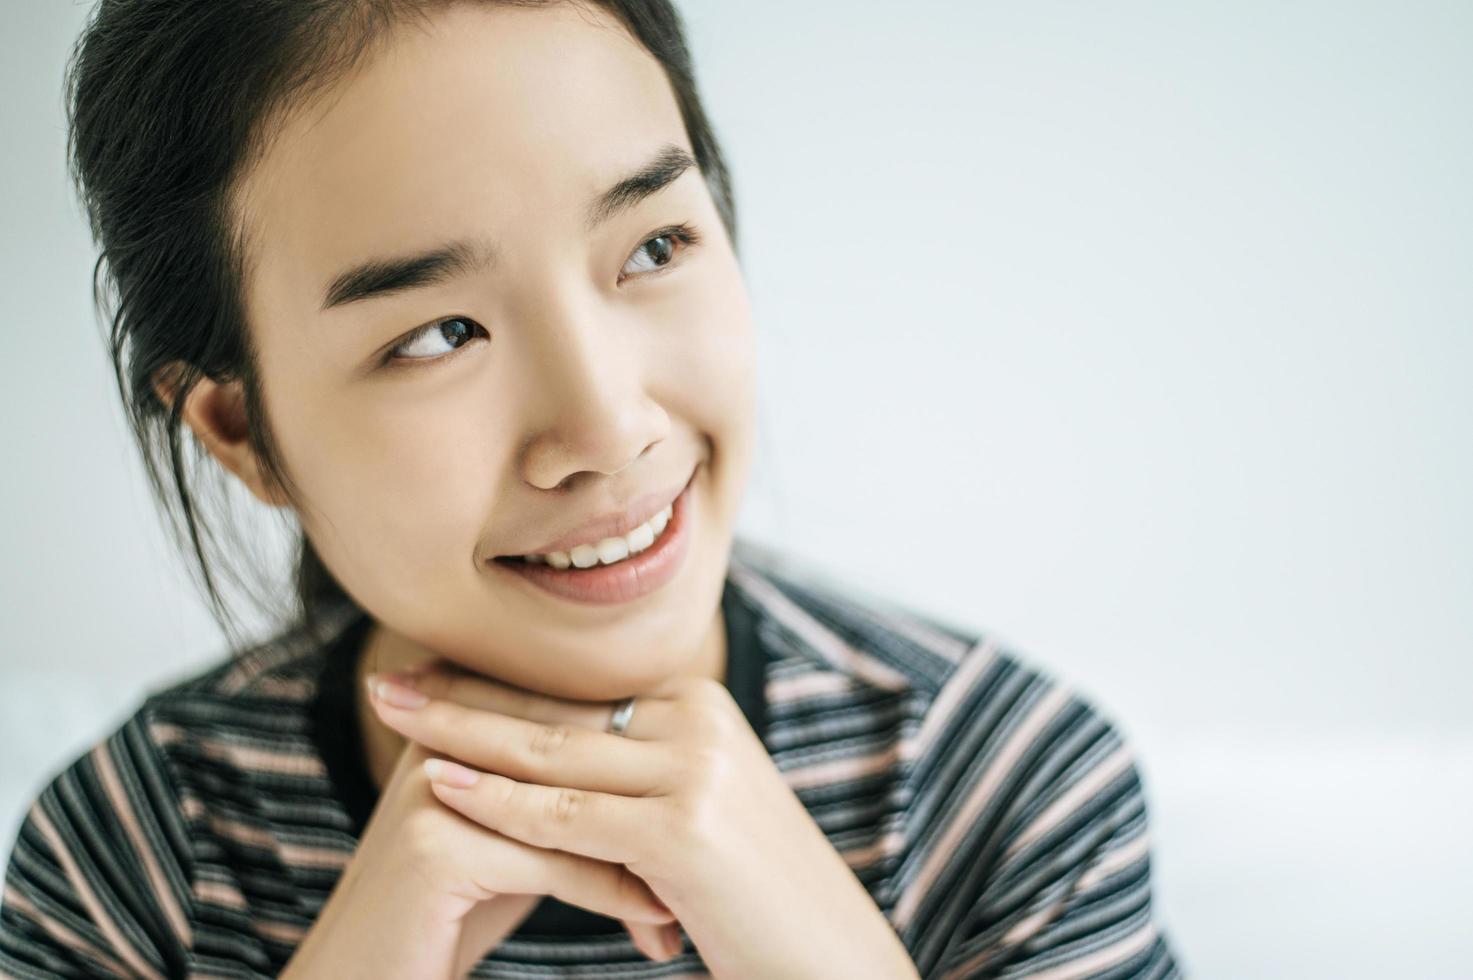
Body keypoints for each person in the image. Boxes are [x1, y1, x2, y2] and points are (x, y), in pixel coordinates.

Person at [0, 1, 1185, 977]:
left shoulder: (1007, 790)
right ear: (241, 427)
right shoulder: (141, 854)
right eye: (438, 333)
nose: (609, 429)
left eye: (655, 247)